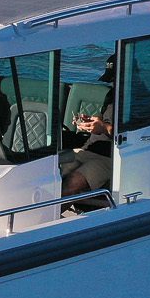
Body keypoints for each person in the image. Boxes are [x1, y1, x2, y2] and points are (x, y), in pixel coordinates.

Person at [61, 56, 116, 196]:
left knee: (73, 182)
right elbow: (106, 121)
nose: (113, 84)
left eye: (115, 79)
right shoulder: (112, 94)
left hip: (109, 157)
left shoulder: (136, 100)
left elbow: (131, 134)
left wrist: (104, 128)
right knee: (53, 173)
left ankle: (50, 210)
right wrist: (90, 121)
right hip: (87, 149)